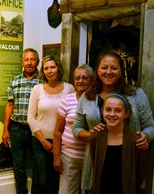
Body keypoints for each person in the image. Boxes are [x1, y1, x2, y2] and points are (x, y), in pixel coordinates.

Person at [72, 51, 154, 193]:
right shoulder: (87, 97)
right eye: (104, 67)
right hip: (96, 160)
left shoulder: (136, 94)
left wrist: (146, 136)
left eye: (114, 68)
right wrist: (92, 135)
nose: (108, 72)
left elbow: (150, 126)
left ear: (121, 71)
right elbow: (77, 128)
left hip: (129, 159)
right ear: (97, 71)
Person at [28, 55, 75, 194]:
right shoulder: (37, 89)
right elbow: (30, 117)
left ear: (58, 69)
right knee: (41, 179)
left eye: (52, 67)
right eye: (46, 68)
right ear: (43, 71)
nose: (50, 71)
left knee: (56, 178)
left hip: (61, 142)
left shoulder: (69, 88)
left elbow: (72, 114)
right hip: (39, 141)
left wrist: (55, 144)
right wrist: (43, 141)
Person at [2, 48, 41, 194]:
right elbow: (10, 105)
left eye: (32, 59)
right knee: (18, 167)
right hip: (17, 129)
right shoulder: (15, 81)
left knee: (38, 166)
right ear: (22, 62)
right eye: (26, 59)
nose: (29, 62)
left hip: (36, 131)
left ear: (37, 62)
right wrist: (5, 129)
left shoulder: (43, 81)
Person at [90, 94, 147, 194]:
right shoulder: (96, 137)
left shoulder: (136, 141)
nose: (112, 114)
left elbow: (141, 172)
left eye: (118, 110)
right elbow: (95, 163)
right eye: (108, 109)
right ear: (102, 111)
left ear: (126, 114)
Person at [53, 64, 93, 194]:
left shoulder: (97, 100)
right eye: (77, 78)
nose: (80, 81)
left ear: (92, 80)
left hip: (91, 157)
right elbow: (58, 131)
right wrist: (57, 157)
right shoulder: (67, 100)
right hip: (69, 157)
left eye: (85, 78)